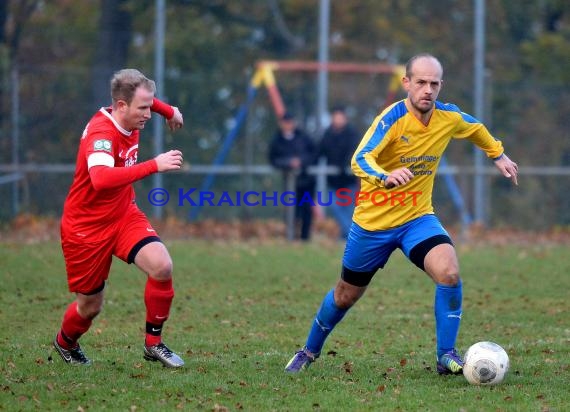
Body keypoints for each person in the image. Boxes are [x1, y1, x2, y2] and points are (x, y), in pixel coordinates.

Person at [284, 53, 518, 375]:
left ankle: (445, 356)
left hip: (416, 219)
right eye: (421, 82)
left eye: (434, 84)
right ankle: (308, 351)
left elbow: (475, 127)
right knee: (344, 295)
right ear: (406, 83)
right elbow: (360, 159)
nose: (427, 90)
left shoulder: (447, 117)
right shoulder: (391, 118)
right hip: (372, 225)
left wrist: (499, 155)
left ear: (440, 86)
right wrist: (385, 176)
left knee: (449, 272)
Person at [53, 68, 186, 367]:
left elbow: (147, 100)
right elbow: (99, 179)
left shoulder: (130, 109)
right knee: (89, 307)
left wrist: (169, 110)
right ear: (121, 106)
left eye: (149, 106)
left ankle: (153, 343)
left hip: (124, 214)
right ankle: (65, 342)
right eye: (143, 108)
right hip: (85, 228)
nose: (148, 114)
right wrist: (154, 164)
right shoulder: (102, 133)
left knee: (162, 266)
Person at [269, 112, 317, 241]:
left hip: (306, 181)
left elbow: (314, 154)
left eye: (290, 122)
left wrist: (301, 162)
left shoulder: (303, 137)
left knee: (306, 210)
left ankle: (305, 238)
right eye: (285, 123)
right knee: (291, 210)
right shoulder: (277, 140)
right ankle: (291, 237)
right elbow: (273, 159)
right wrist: (287, 163)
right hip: (289, 182)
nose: (288, 125)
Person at [318, 105, 361, 240]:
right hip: (333, 181)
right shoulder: (327, 134)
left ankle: (346, 239)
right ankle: (351, 237)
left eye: (340, 118)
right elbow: (320, 151)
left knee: (348, 211)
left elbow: (355, 151)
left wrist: (345, 164)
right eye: (335, 118)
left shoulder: (352, 134)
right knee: (336, 208)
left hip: (348, 181)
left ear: (345, 119)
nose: (337, 120)